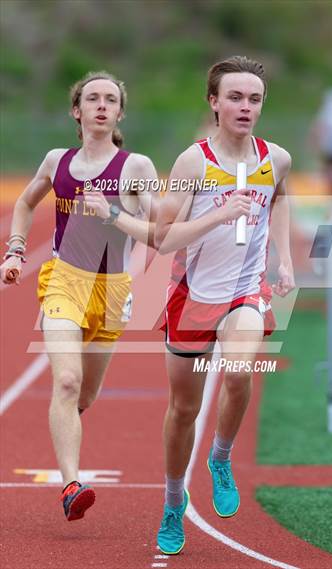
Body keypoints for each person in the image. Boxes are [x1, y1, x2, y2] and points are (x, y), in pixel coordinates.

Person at [0, 71, 158, 521]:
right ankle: (71, 485)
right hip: (63, 281)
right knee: (66, 382)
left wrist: (114, 214)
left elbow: (160, 230)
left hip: (112, 290)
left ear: (120, 113)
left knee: (85, 394)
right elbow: (27, 203)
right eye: (93, 98)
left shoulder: (136, 167)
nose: (102, 105)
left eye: (111, 99)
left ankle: (66, 419)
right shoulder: (56, 161)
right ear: (78, 110)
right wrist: (14, 250)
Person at [154, 55, 295, 555]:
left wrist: (283, 261)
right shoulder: (194, 162)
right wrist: (218, 217)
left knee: (239, 372)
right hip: (193, 297)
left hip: (244, 290)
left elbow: (278, 198)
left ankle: (221, 456)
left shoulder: (275, 157)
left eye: (254, 98)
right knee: (183, 408)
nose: (245, 106)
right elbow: (163, 239)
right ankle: (174, 502)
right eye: (235, 97)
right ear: (213, 102)